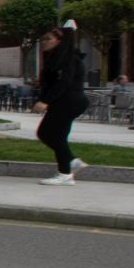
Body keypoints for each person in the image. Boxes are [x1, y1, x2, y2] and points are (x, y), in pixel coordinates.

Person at [33, 23, 89, 185]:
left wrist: (45, 101)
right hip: (64, 102)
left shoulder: (69, 59)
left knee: (46, 133)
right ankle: (66, 172)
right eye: (44, 39)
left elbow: (64, 83)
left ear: (59, 41)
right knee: (58, 137)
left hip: (69, 101)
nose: (44, 42)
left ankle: (69, 165)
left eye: (48, 39)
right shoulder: (57, 58)